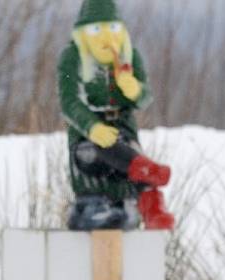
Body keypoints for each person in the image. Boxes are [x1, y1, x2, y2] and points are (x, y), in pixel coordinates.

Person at [58, 0, 174, 231]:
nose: (105, 37)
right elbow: (68, 101)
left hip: (123, 123)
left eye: (111, 28)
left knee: (128, 150)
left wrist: (131, 88)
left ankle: (153, 208)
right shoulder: (72, 57)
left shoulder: (130, 56)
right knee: (98, 152)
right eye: (95, 30)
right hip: (87, 132)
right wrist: (92, 127)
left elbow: (145, 97)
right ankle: (142, 170)